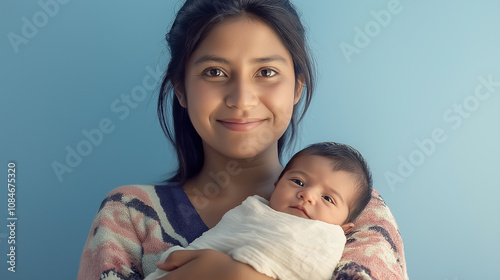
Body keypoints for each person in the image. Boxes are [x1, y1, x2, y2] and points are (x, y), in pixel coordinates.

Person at [78, 0, 408, 279]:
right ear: (181, 89)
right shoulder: (130, 214)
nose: (242, 99)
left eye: (265, 72)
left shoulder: (359, 212)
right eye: (215, 72)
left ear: (296, 87)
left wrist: (235, 274)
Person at [145, 142, 373, 280]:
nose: (308, 195)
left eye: (327, 198)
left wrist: (233, 272)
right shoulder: (253, 210)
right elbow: (223, 239)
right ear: (276, 186)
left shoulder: (328, 238)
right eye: (298, 182)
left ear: (345, 228)